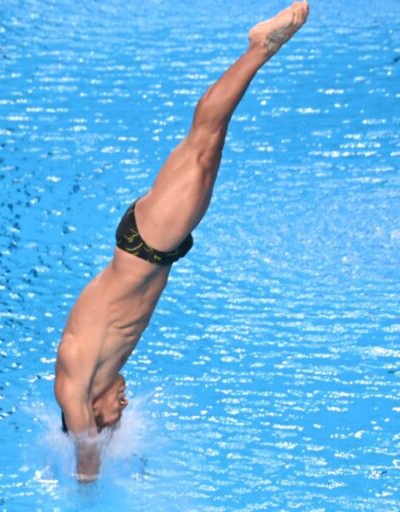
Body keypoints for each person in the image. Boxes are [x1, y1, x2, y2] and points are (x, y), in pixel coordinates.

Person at [54, 1, 310, 482]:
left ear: (88, 409)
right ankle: (255, 52)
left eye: (111, 415)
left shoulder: (75, 379)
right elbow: (96, 434)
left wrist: (86, 487)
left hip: (145, 245)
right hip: (156, 247)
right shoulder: (98, 374)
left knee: (205, 137)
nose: (122, 408)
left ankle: (257, 48)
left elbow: (84, 452)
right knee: (208, 146)